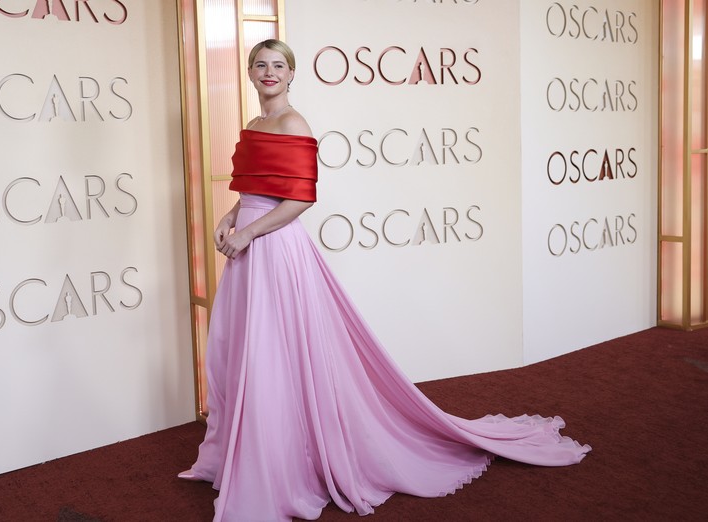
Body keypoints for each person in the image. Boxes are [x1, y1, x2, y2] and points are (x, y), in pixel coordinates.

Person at [179, 39, 591, 522]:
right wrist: (230, 218)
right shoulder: (253, 125)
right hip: (247, 248)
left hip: (274, 249)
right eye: (260, 65)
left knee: (273, 354)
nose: (269, 72)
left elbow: (301, 199)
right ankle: (243, 457)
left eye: (278, 65)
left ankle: (278, 466)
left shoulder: (294, 123)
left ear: (291, 74)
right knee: (243, 353)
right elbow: (254, 189)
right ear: (250, 73)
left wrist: (248, 232)